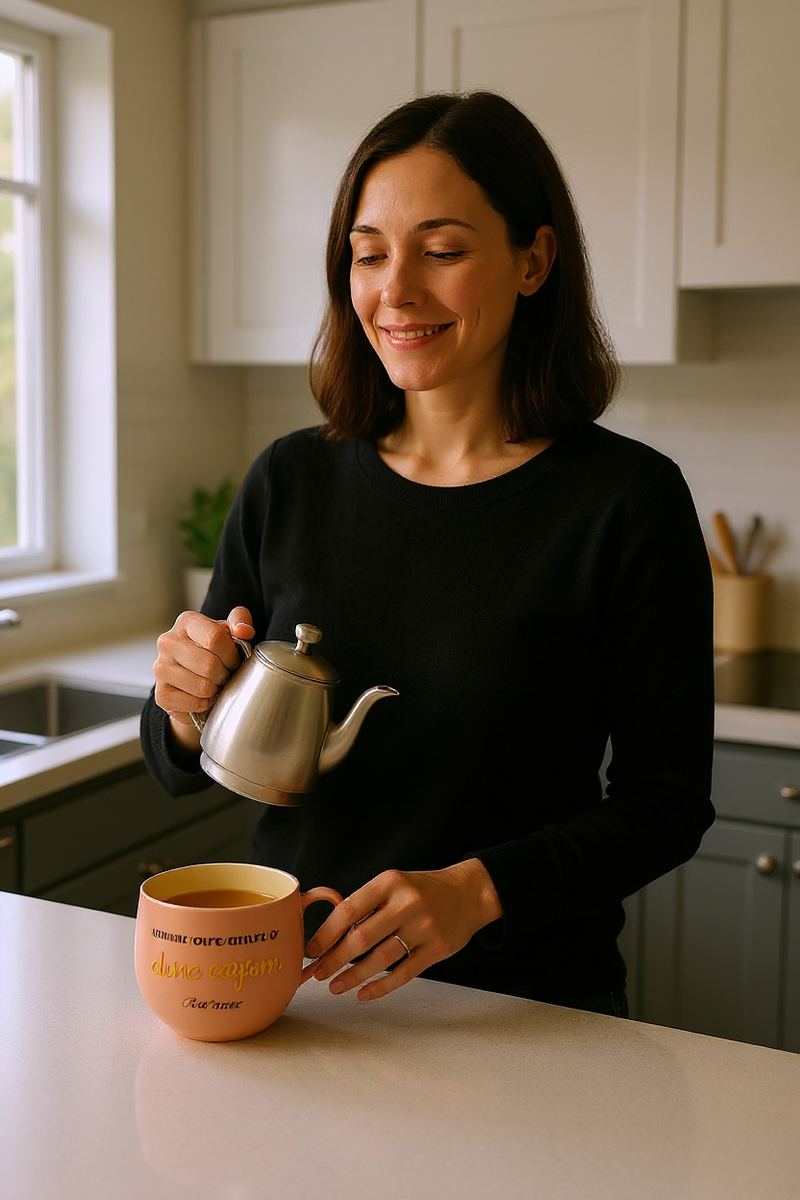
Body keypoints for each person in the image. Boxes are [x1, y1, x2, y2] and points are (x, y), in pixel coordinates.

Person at [141, 91, 715, 1016]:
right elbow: (177, 754)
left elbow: (668, 804)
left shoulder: (628, 503)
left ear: (534, 260)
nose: (396, 290)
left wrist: (478, 891)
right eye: (369, 255)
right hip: (294, 995)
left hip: (527, 1010)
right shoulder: (289, 479)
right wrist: (179, 702)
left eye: (442, 251)